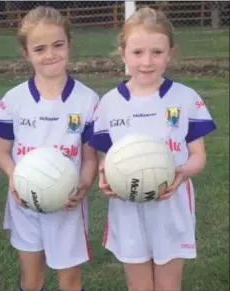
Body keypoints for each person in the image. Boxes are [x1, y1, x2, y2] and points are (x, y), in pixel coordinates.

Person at [89, 7, 217, 291]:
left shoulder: (185, 98)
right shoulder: (110, 103)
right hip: (127, 207)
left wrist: (182, 173)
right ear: (123, 53)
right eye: (138, 53)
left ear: (170, 53)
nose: (147, 62)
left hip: (171, 207)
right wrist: (104, 173)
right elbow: (104, 155)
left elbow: (199, 156)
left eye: (157, 53)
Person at [0, 6, 99, 291]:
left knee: (69, 280)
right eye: (40, 48)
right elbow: (1, 152)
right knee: (32, 279)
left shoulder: (87, 100)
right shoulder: (14, 100)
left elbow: (89, 157)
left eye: (58, 45)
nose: (50, 55)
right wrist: (15, 176)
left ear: (69, 45)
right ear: (26, 53)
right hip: (24, 202)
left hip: (68, 203)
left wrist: (84, 184)